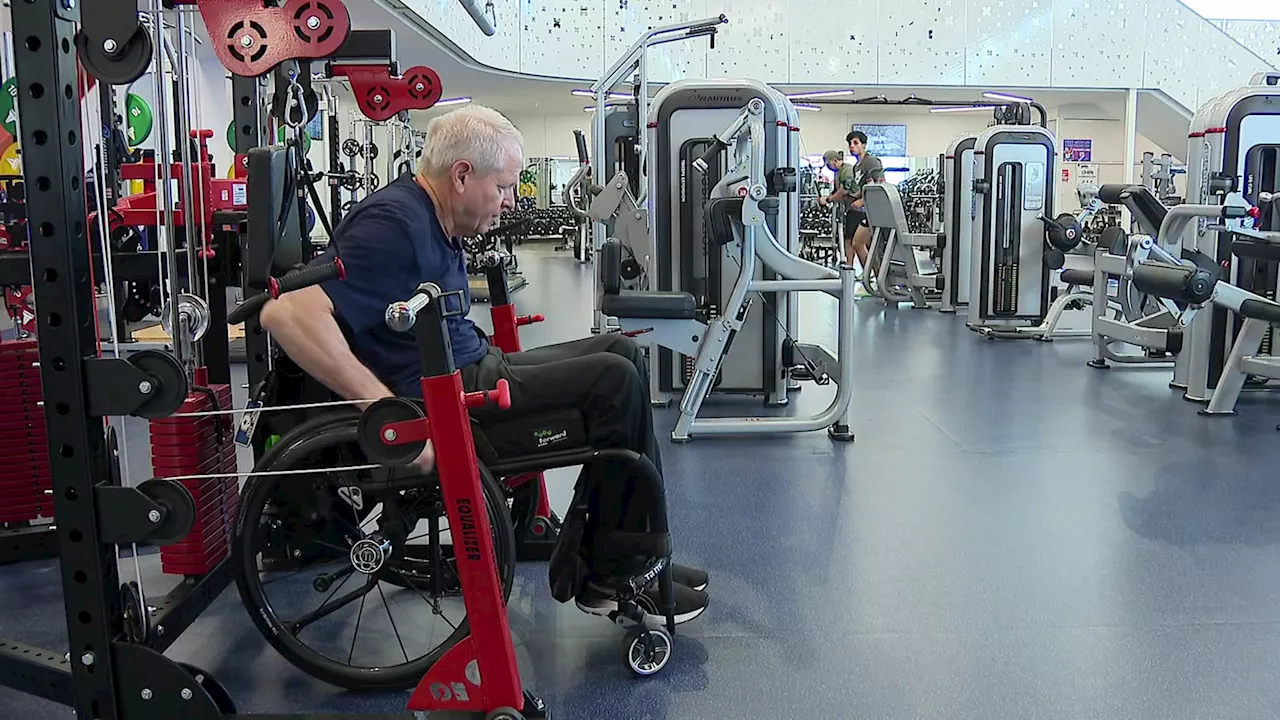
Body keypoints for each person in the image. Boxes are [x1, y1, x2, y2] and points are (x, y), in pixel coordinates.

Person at [259, 105, 709, 625]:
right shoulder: (393, 224)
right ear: (462, 175)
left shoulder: (432, 218)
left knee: (621, 352)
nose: (511, 201)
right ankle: (615, 573)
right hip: (450, 404)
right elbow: (286, 312)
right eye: (503, 187)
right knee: (615, 381)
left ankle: (635, 556)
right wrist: (385, 412)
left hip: (474, 372)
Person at [818, 131, 884, 272]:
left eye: (856, 143)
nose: (852, 146)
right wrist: (856, 197)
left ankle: (875, 277)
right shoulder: (856, 167)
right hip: (863, 210)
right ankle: (872, 277)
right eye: (850, 144)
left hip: (872, 210)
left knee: (862, 244)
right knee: (859, 244)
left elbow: (879, 185)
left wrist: (861, 202)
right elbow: (861, 188)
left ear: (864, 145)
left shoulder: (871, 161)